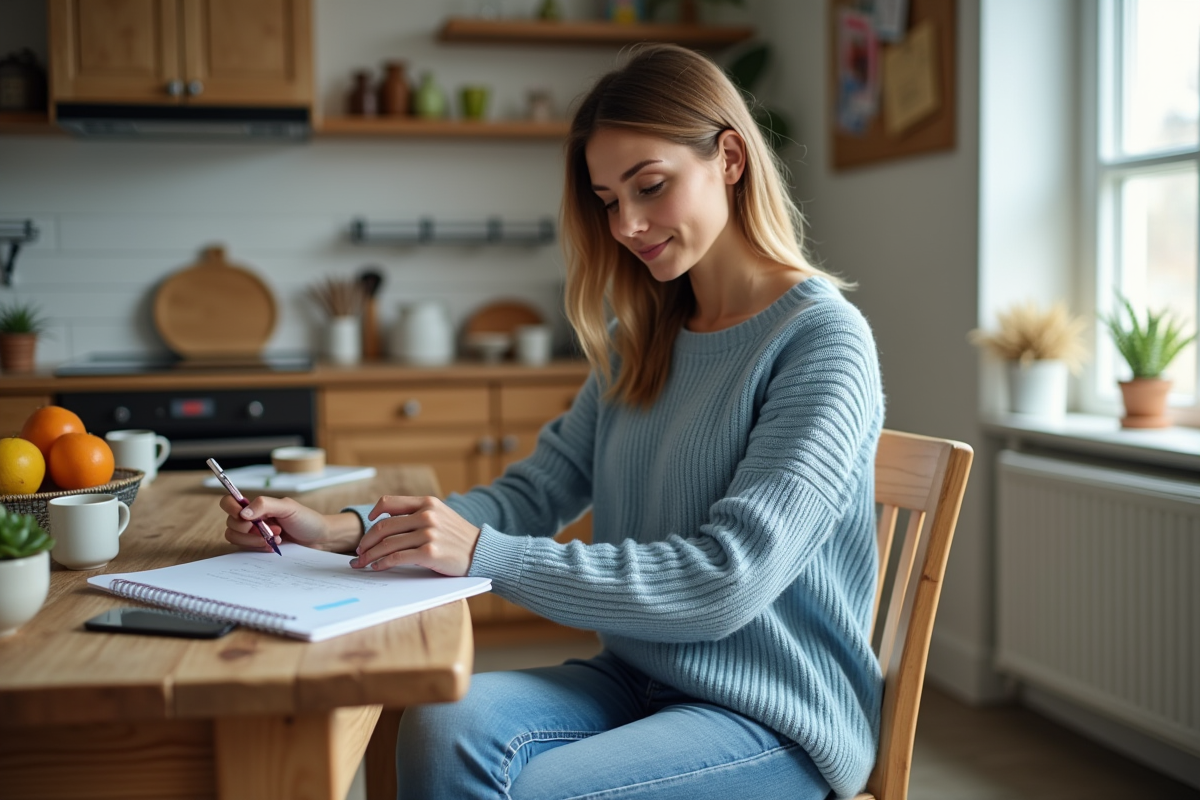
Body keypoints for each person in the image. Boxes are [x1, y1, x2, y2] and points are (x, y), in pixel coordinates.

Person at [219, 44, 884, 800]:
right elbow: (530, 496)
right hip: (638, 678)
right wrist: (341, 529)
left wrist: (486, 556)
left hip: (774, 715)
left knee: (542, 790)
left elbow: (724, 583)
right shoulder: (647, 335)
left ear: (730, 157)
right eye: (608, 200)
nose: (627, 224)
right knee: (439, 723)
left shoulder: (820, 341)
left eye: (650, 186)